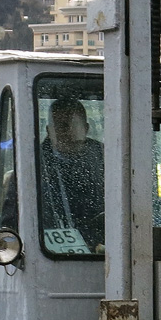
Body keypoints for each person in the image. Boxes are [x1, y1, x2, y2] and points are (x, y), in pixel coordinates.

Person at [39, 97, 105, 252]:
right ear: (49, 131)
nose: (66, 132)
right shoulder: (33, 164)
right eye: (59, 126)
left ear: (86, 128)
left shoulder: (107, 160)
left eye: (72, 125)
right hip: (49, 252)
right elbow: (14, 218)